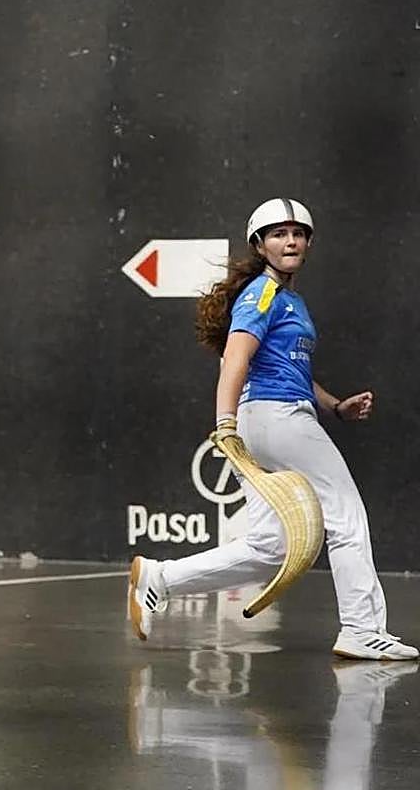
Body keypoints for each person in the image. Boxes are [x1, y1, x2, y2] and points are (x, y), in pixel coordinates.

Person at [128, 198, 418, 661]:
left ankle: (161, 578)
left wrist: (335, 407)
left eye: (298, 233)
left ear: (308, 243)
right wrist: (224, 423)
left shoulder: (287, 299)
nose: (291, 241)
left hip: (266, 419)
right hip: (277, 418)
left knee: (271, 545)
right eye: (279, 234)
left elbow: (289, 368)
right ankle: (362, 629)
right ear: (260, 245)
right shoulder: (262, 294)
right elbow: (236, 357)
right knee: (345, 516)